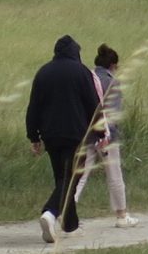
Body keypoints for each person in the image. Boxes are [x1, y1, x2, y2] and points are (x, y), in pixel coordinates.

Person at [24, 35, 101, 243]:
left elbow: (34, 106)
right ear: (76, 52)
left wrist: (33, 136)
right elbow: (93, 105)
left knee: (62, 178)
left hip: (51, 135)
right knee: (71, 178)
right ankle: (50, 213)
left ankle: (70, 226)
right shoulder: (81, 72)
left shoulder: (43, 72)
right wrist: (101, 132)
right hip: (75, 135)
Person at [75, 43, 136, 228]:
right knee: (114, 174)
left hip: (87, 133)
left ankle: (67, 211)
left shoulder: (87, 78)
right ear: (113, 65)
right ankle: (121, 215)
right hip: (107, 135)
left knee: (81, 174)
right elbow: (112, 112)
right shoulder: (112, 82)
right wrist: (107, 133)